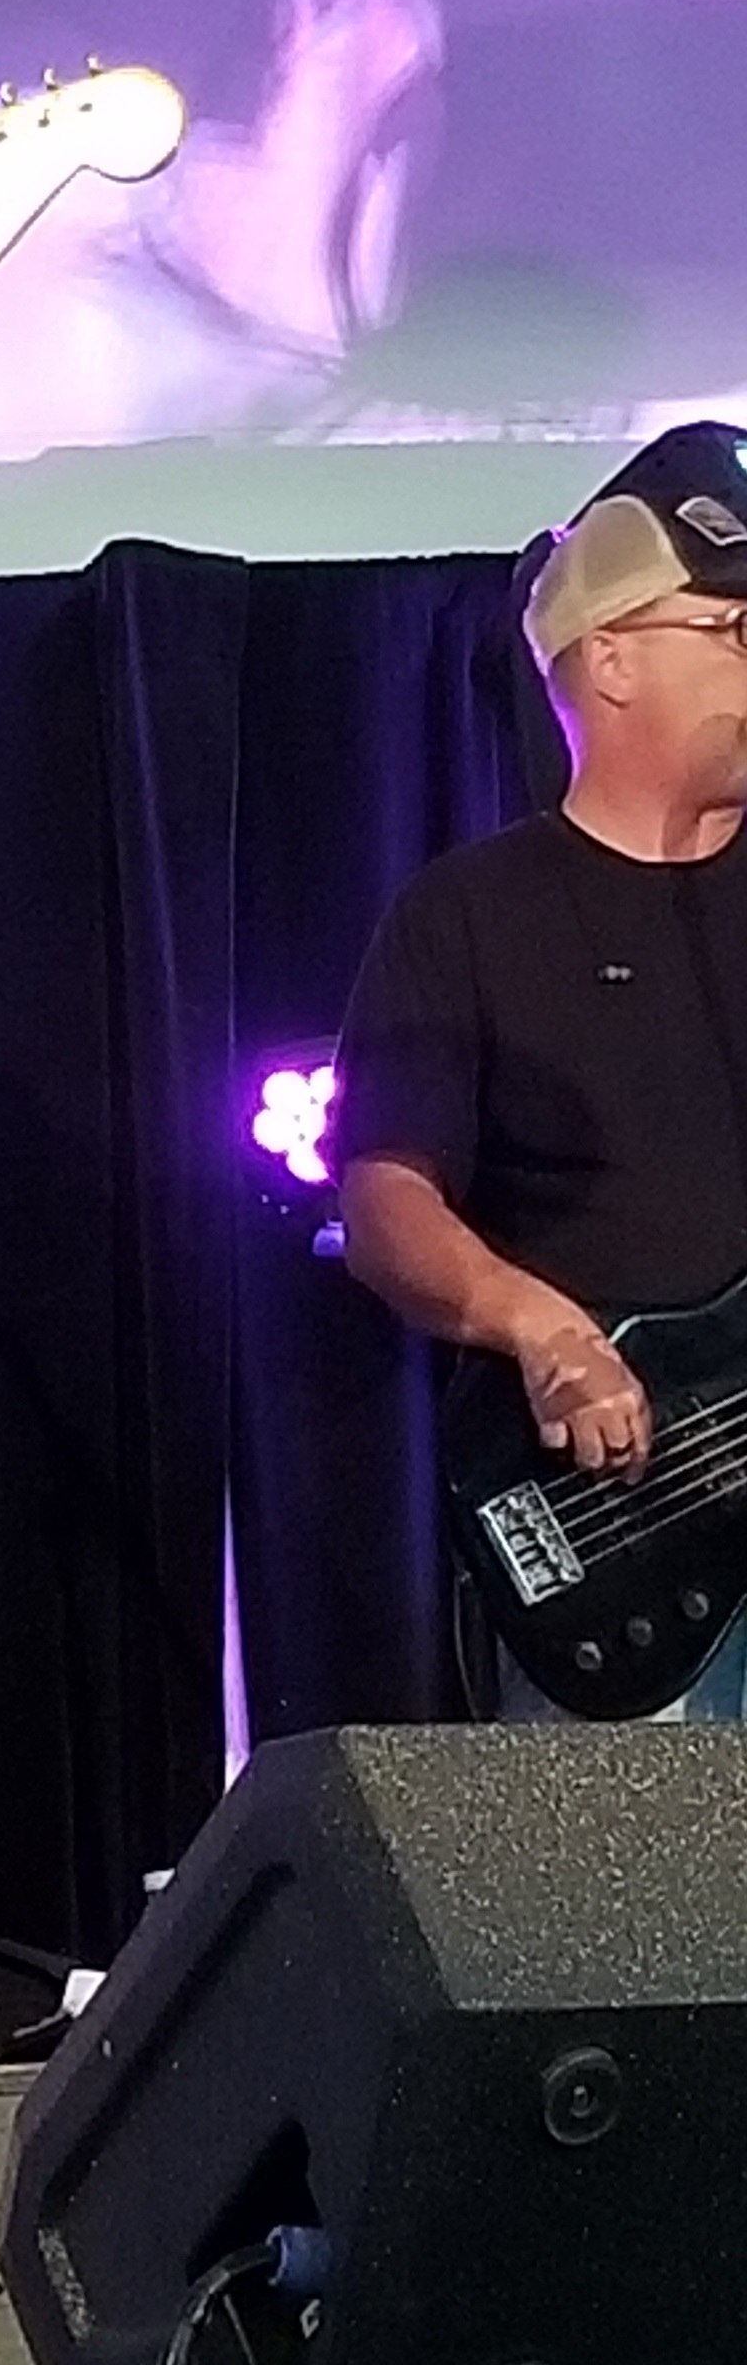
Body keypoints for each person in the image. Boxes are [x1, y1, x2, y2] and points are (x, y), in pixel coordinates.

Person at [337, 421, 747, 1706]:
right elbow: (384, 1205)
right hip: (632, 1526)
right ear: (611, 658)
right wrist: (546, 1330)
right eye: (735, 631)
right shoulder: (467, 916)